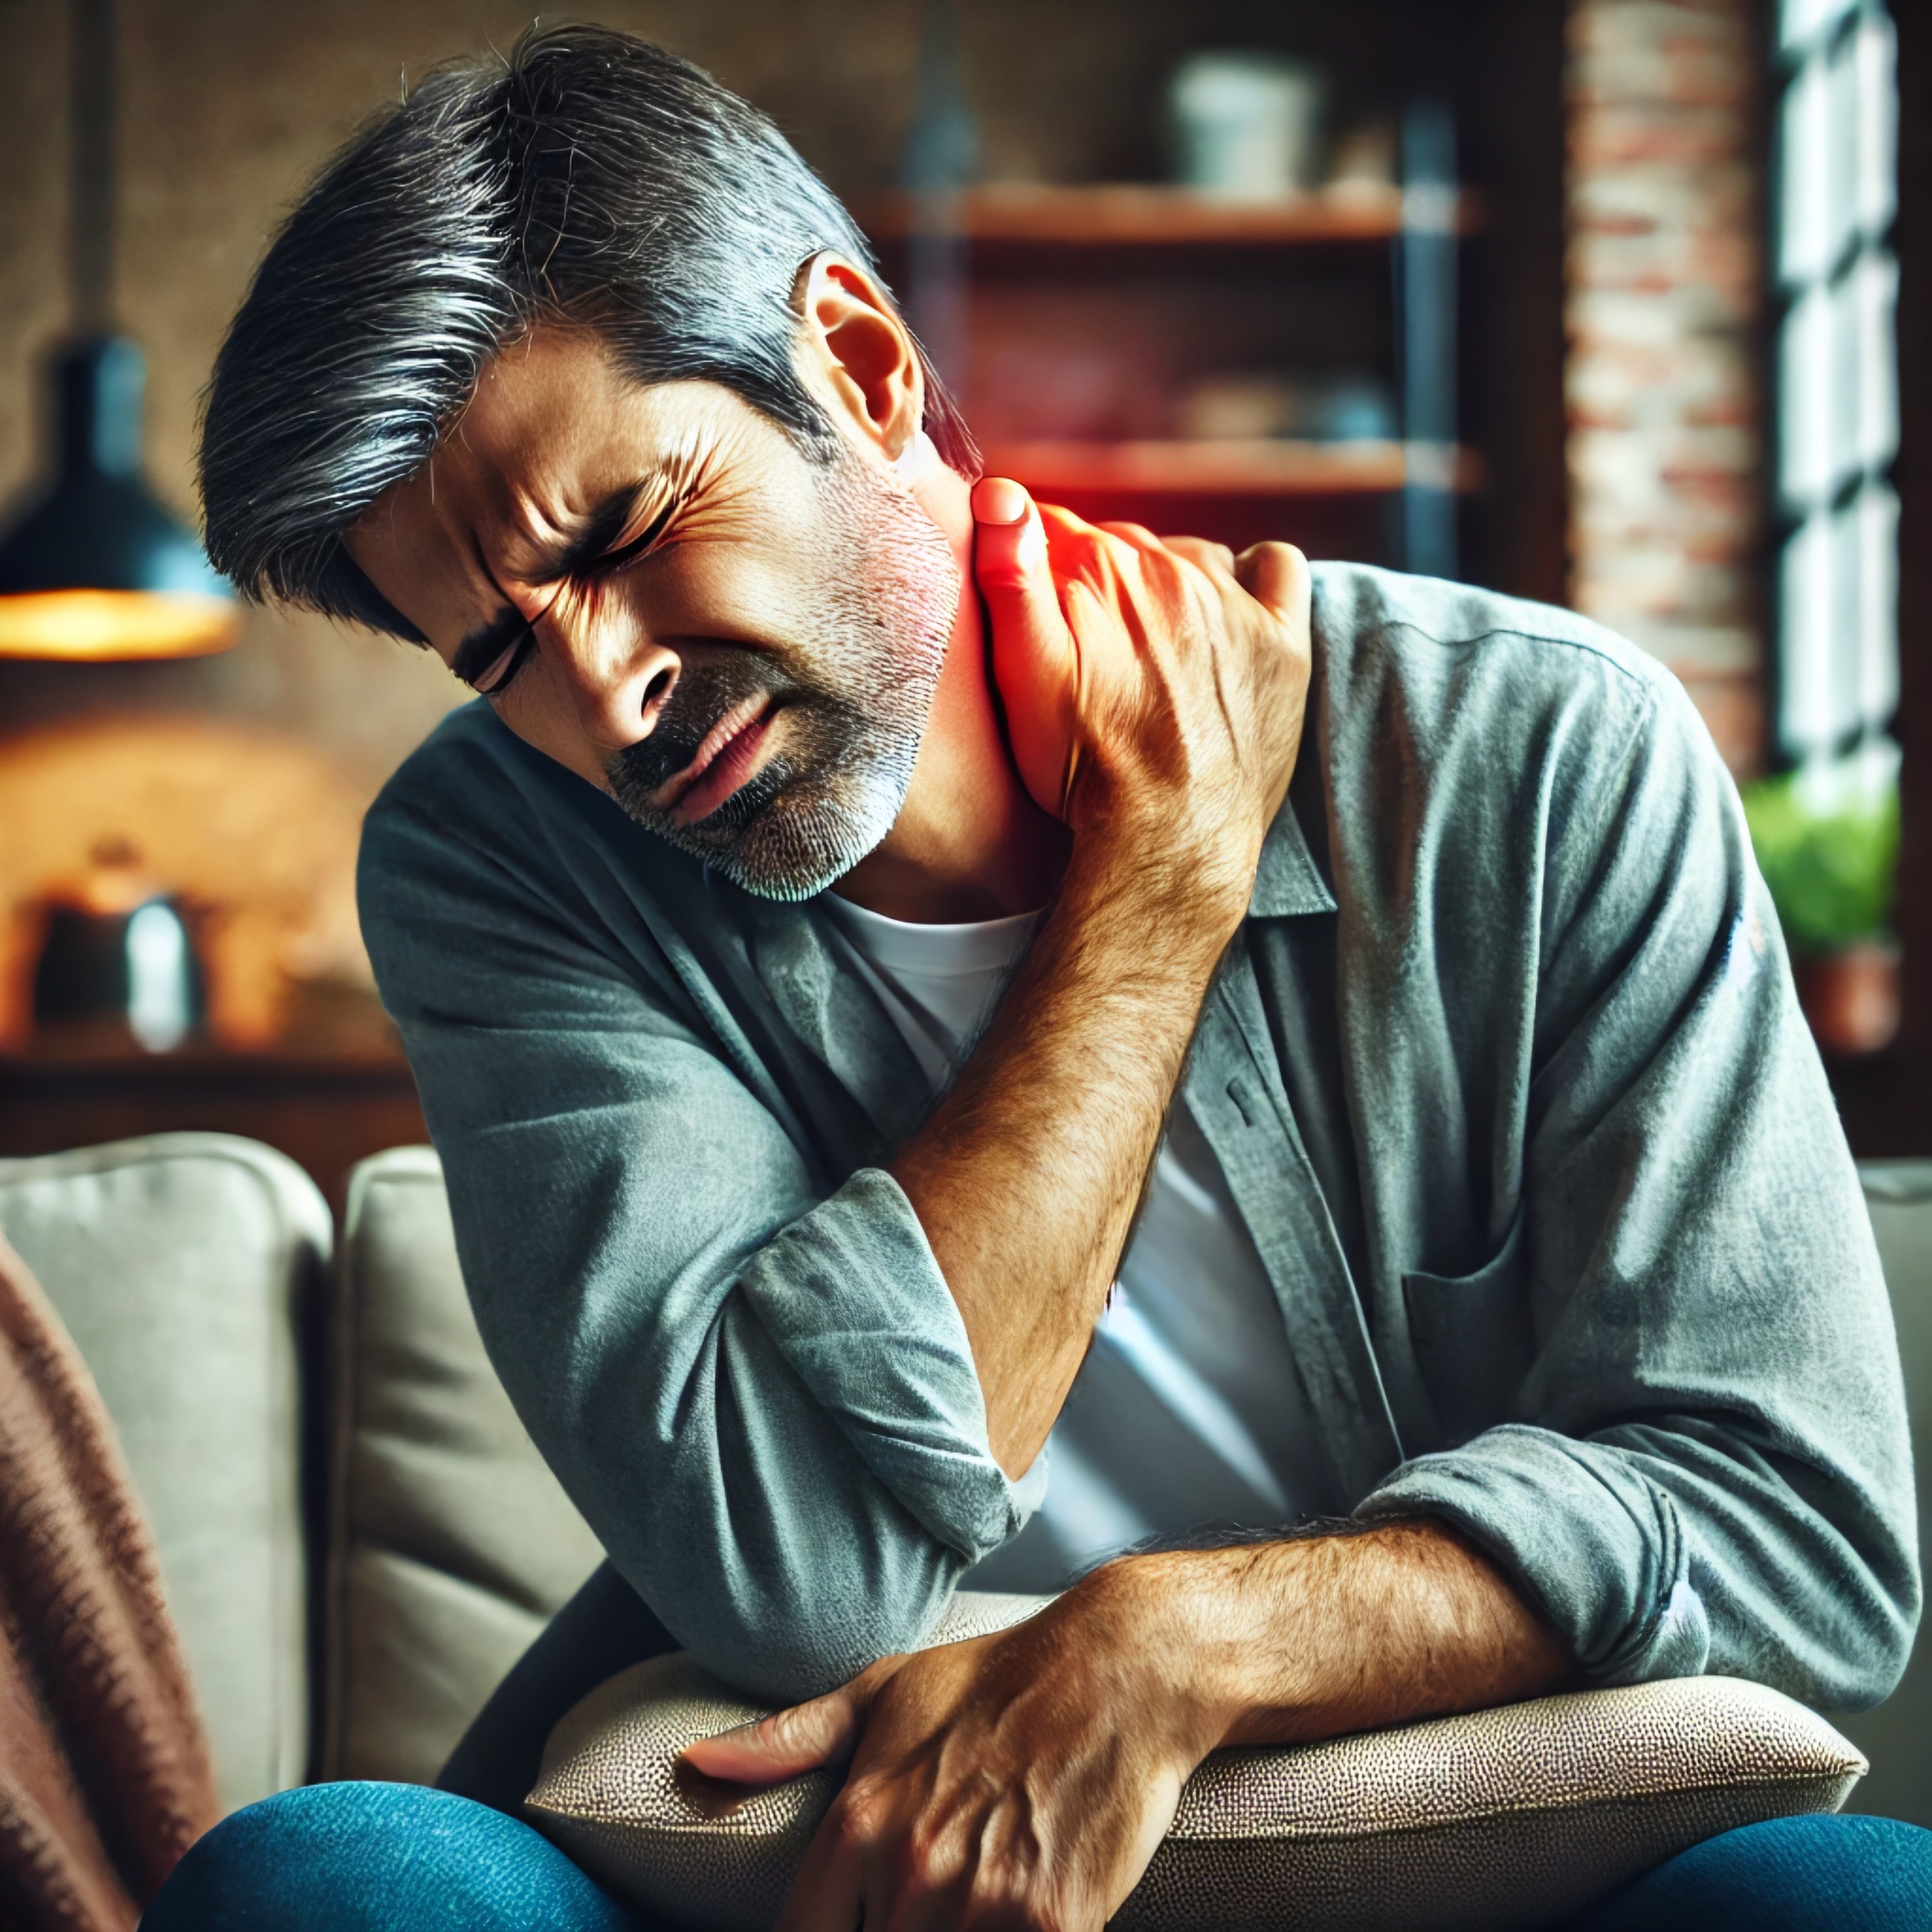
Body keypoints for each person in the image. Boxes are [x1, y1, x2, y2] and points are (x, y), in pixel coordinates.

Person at [150, 23, 1928, 1932]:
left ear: (859, 360)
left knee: (1855, 1900)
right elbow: (794, 1571)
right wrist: (1151, 904)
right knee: (321, 1883)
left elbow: (1805, 1530)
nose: (604, 699)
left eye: (627, 532)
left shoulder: (1534, 756)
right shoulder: (499, 855)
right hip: (807, 1861)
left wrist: (1177, 1643)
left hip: (1475, 1860)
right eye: (496, 654)